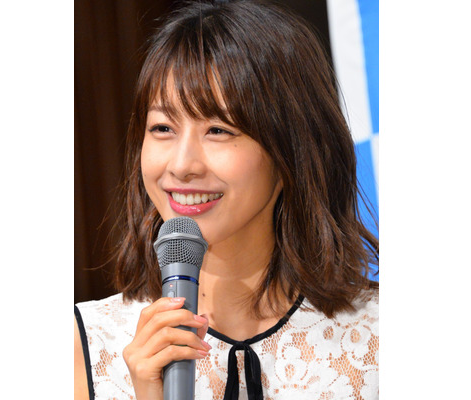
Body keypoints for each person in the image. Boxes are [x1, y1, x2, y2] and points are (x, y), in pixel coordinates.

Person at [74, 0, 379, 399]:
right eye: (163, 128)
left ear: (292, 149)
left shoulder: (376, 337)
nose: (182, 165)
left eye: (218, 130)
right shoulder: (88, 345)